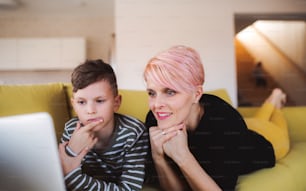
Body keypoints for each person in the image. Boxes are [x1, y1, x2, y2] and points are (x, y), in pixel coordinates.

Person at [143, 45, 289, 191]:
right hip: (244, 129)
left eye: (170, 92)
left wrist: (183, 156)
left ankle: (275, 102)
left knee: (273, 127)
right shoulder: (155, 119)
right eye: (152, 93)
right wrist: (158, 158)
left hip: (266, 140)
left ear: (196, 94)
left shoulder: (225, 123)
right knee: (258, 120)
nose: (156, 105)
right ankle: (273, 100)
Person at [58, 59, 149, 191]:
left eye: (99, 101)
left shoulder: (134, 132)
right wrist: (72, 149)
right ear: (74, 105)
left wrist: (73, 178)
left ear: (116, 103)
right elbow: (60, 178)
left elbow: (129, 189)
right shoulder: (71, 130)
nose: (90, 110)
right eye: (81, 102)